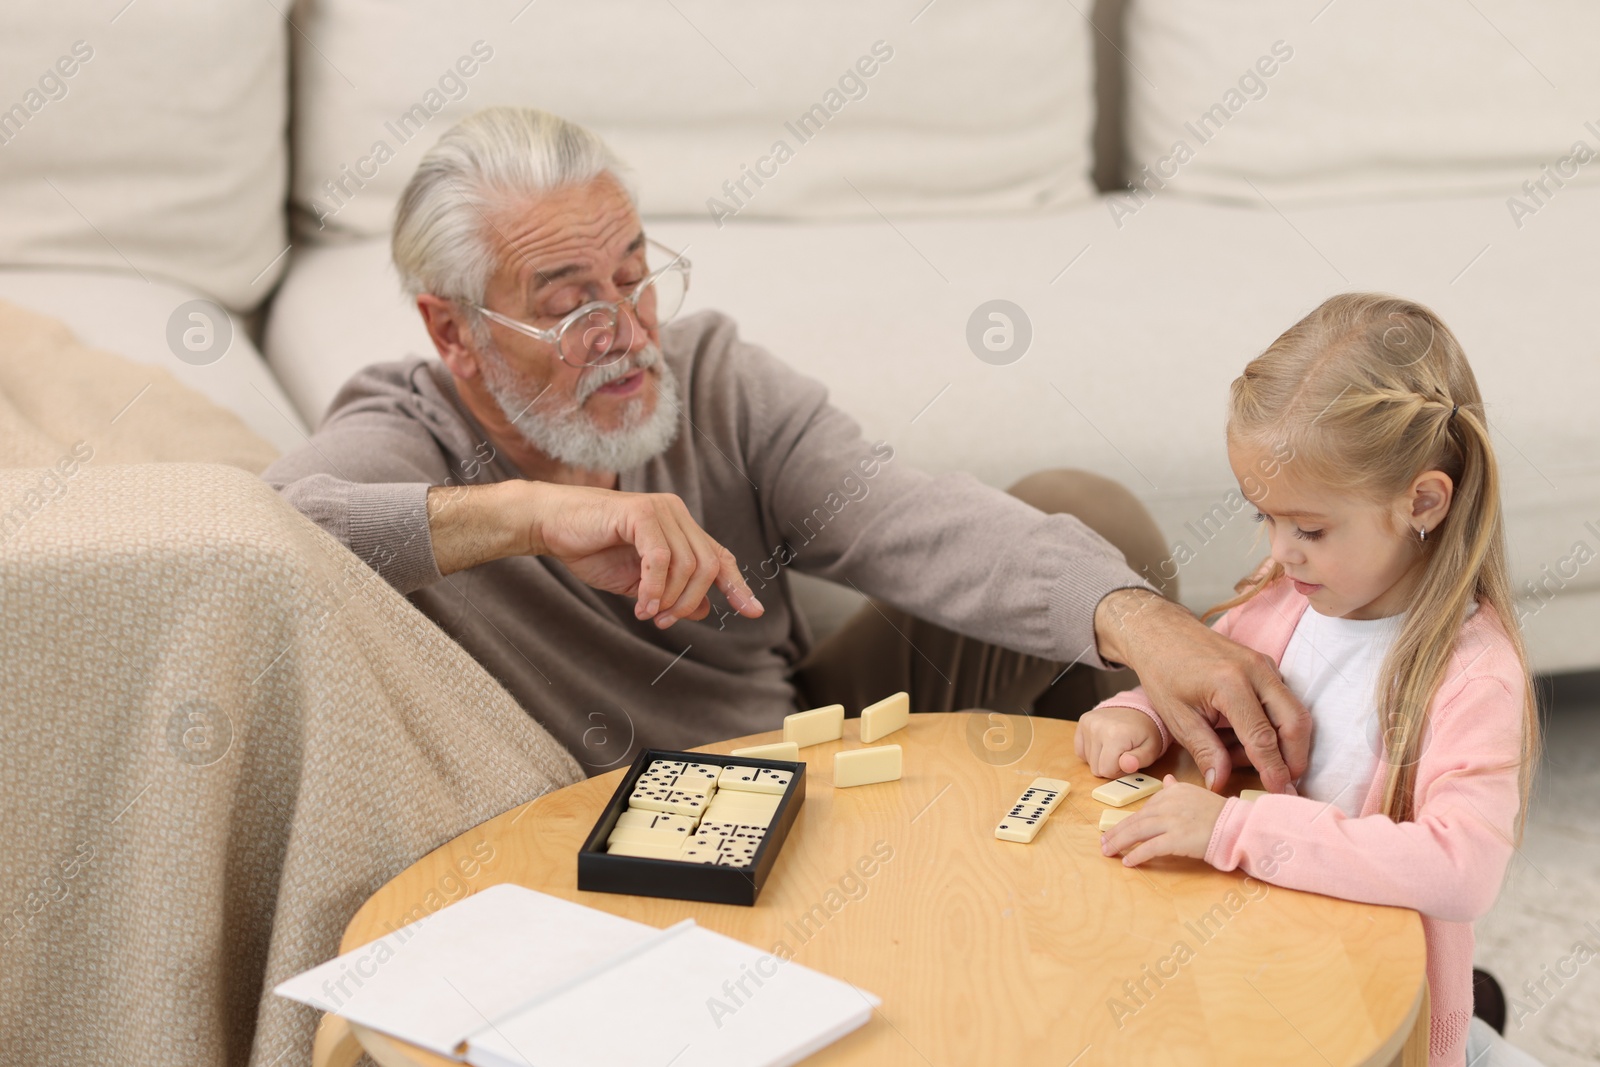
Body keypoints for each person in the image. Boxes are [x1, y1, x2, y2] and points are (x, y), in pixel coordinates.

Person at [264, 106, 1312, 789]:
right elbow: (256, 533)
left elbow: (905, 517)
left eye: (634, 274)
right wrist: (534, 515)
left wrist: (1140, 620)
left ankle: (1201, 880)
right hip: (610, 822)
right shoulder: (403, 432)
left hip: (800, 745)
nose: (629, 333)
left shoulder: (710, 374)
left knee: (1096, 523)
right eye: (570, 303)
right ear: (455, 333)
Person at [1078, 294, 1542, 1067]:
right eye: (1266, 517)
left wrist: (1234, 831)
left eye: (1311, 529)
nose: (1281, 552)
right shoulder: (1283, 593)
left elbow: (1461, 870)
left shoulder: (1474, 672)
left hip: (1375, 1012)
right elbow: (1208, 683)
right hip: (1256, 965)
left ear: (1422, 501)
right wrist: (1141, 714)